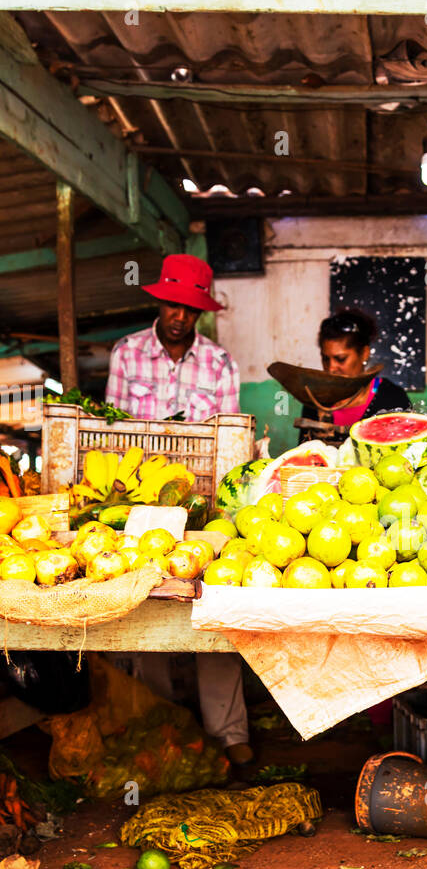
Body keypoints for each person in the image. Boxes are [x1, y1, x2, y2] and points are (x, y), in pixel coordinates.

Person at [105, 253, 254, 775]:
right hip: (143, 510)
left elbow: (232, 442)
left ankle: (228, 733)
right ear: (160, 302)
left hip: (205, 510)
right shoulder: (126, 355)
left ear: (201, 314)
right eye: (173, 305)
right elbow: (114, 436)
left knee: (215, 619)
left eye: (190, 310)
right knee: (146, 614)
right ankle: (160, 727)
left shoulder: (220, 364)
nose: (179, 317)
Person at [317, 308, 411, 430]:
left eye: (341, 359)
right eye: (325, 359)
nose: (331, 368)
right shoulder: (316, 400)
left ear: (365, 353)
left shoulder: (392, 397)